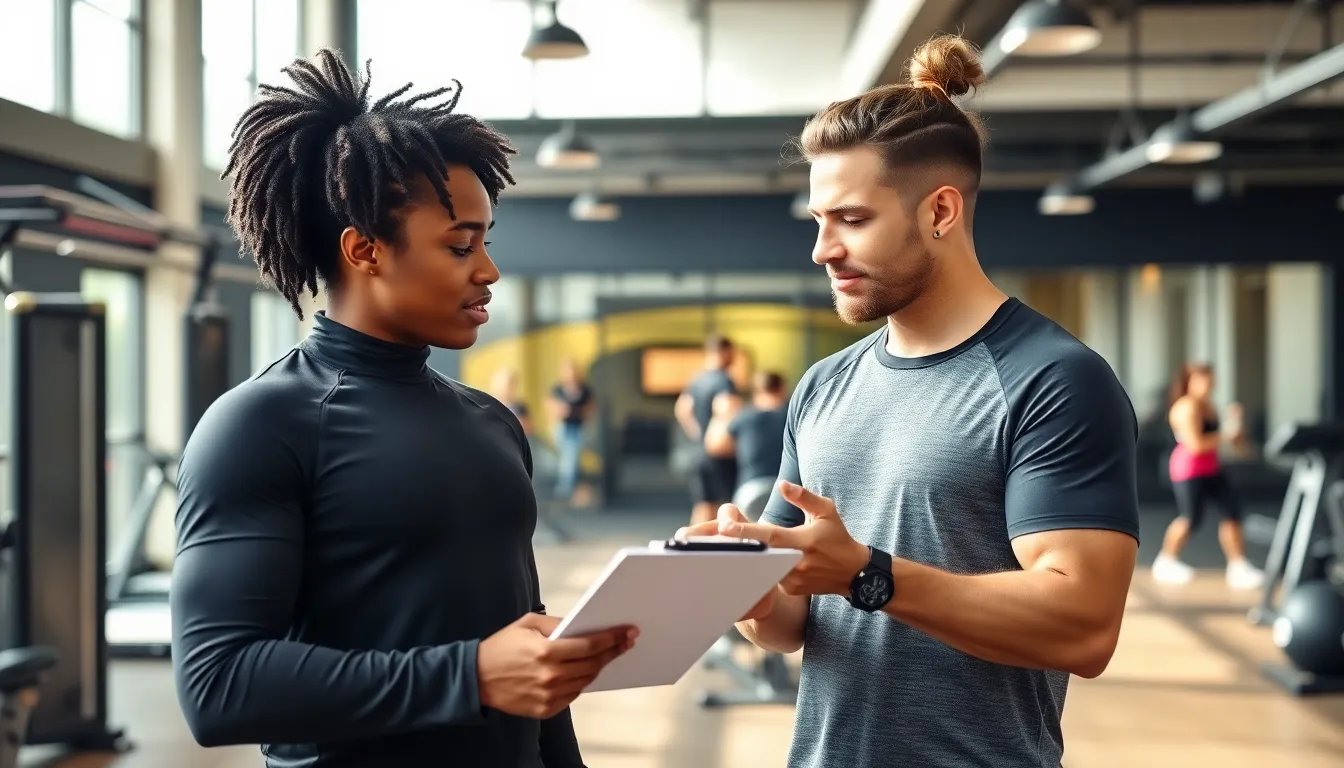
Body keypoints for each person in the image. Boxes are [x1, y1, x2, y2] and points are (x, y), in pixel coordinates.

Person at [679, 34, 1140, 768]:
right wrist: (745, 581)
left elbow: (1083, 630)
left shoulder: (1053, 380)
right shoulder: (825, 386)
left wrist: (866, 572)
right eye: (818, 221)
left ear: (941, 212)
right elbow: (790, 623)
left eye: (851, 220)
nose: (822, 249)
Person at [169, 50, 635, 768]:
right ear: (365, 250)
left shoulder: (491, 422)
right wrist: (471, 674)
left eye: (486, 242)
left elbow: (532, 666)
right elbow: (218, 686)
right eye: (459, 244)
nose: (489, 271)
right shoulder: (260, 426)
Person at [1152, 363, 1264, 589]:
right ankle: (1165, 561)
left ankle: (1238, 565)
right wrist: (1225, 435)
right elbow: (1195, 445)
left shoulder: (1209, 407)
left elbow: (1231, 443)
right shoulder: (1185, 408)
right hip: (1188, 470)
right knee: (1191, 518)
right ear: (1190, 382)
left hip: (1211, 467)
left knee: (1232, 511)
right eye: (1202, 380)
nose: (1208, 385)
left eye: (1211, 380)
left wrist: (1237, 428)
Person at [703, 370, 789, 519]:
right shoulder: (792, 415)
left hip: (750, 490)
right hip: (787, 490)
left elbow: (715, 446)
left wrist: (720, 415)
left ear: (755, 391)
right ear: (782, 389)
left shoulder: (744, 416)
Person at [674, 335, 739, 525]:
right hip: (720, 456)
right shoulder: (723, 381)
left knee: (702, 506)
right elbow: (726, 408)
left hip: (700, 452)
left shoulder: (697, 379)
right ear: (724, 352)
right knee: (726, 508)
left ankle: (692, 549)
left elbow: (682, 408)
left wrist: (698, 434)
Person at [547, 359, 594, 505]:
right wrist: (561, 410)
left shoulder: (585, 390)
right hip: (562, 427)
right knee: (568, 457)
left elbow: (591, 407)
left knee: (570, 455)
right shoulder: (558, 389)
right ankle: (569, 486)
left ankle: (565, 488)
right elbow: (549, 404)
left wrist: (582, 413)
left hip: (577, 427)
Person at [491, 367, 532, 435]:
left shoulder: (521, 407)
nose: (510, 389)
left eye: (513, 384)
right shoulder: (489, 406)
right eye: (508, 385)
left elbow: (530, 429)